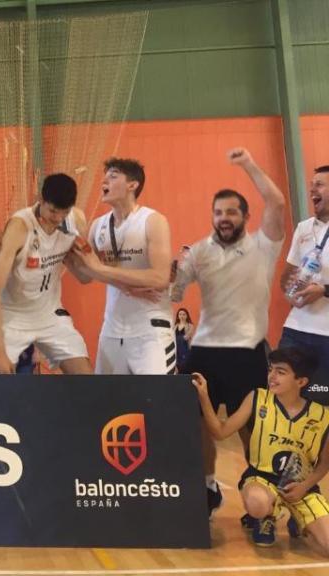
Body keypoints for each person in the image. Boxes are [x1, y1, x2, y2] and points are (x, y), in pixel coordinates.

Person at [171, 147, 286, 515]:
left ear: (245, 217)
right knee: (196, 423)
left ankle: (258, 493)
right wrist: (175, 273)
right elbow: (173, 292)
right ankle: (207, 489)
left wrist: (247, 163)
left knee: (250, 429)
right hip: (204, 350)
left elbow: (277, 201)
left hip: (246, 353)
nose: (224, 218)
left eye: (231, 212)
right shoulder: (200, 252)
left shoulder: (263, 246)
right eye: (218, 212)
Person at [193, 348, 329, 553]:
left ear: (301, 381)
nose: (271, 376)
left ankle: (299, 518)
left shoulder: (322, 416)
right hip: (261, 479)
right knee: (258, 503)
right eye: (271, 369)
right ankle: (267, 517)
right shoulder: (257, 398)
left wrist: (304, 486)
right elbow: (220, 432)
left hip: (302, 487)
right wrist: (204, 396)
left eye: (281, 372)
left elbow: (324, 464)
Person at [71, 158, 174, 375]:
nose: (104, 181)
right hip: (112, 330)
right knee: (110, 406)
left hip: (151, 329)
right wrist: (66, 250)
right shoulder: (98, 225)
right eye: (105, 176)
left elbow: (160, 278)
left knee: (157, 402)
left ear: (132, 185)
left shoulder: (153, 221)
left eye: (113, 175)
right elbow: (85, 276)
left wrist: (101, 270)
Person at [0, 173, 92, 374]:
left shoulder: (75, 221)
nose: (58, 218)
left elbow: (86, 279)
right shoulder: (19, 226)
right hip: (14, 316)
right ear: (41, 200)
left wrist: (82, 260)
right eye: (53, 211)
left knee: (86, 378)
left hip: (50, 314)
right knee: (0, 381)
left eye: (65, 212)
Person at [279, 165, 329, 399]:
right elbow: (285, 280)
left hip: (326, 335)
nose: (312, 191)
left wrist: (324, 290)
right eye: (311, 186)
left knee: (323, 402)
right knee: (284, 399)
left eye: (319, 184)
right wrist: (292, 288)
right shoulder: (304, 228)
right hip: (295, 329)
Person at [174, 308, 195, 374]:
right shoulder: (175, 326)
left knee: (184, 365)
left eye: (184, 314)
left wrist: (178, 338)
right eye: (180, 314)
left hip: (185, 347)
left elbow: (187, 337)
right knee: (176, 365)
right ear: (178, 316)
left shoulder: (190, 325)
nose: (182, 316)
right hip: (176, 348)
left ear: (187, 316)